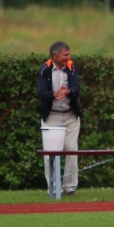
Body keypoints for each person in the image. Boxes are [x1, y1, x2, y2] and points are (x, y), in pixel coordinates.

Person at [38, 41, 82, 196]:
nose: (68, 57)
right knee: (50, 153)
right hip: (52, 117)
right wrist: (53, 94)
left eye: (69, 54)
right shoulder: (44, 70)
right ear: (54, 56)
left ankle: (70, 187)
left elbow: (77, 88)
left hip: (70, 115)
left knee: (71, 150)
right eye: (65, 55)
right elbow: (41, 93)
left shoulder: (71, 66)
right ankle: (54, 187)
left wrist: (68, 91)